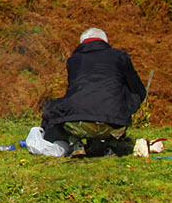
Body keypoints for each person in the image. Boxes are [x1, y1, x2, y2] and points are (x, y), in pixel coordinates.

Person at [40, 27, 148, 157]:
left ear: (82, 43)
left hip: (77, 123)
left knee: (56, 105)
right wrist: (126, 106)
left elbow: (75, 91)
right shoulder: (120, 56)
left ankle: (75, 142)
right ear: (105, 41)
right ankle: (112, 143)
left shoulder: (74, 60)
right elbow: (139, 90)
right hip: (114, 123)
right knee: (128, 94)